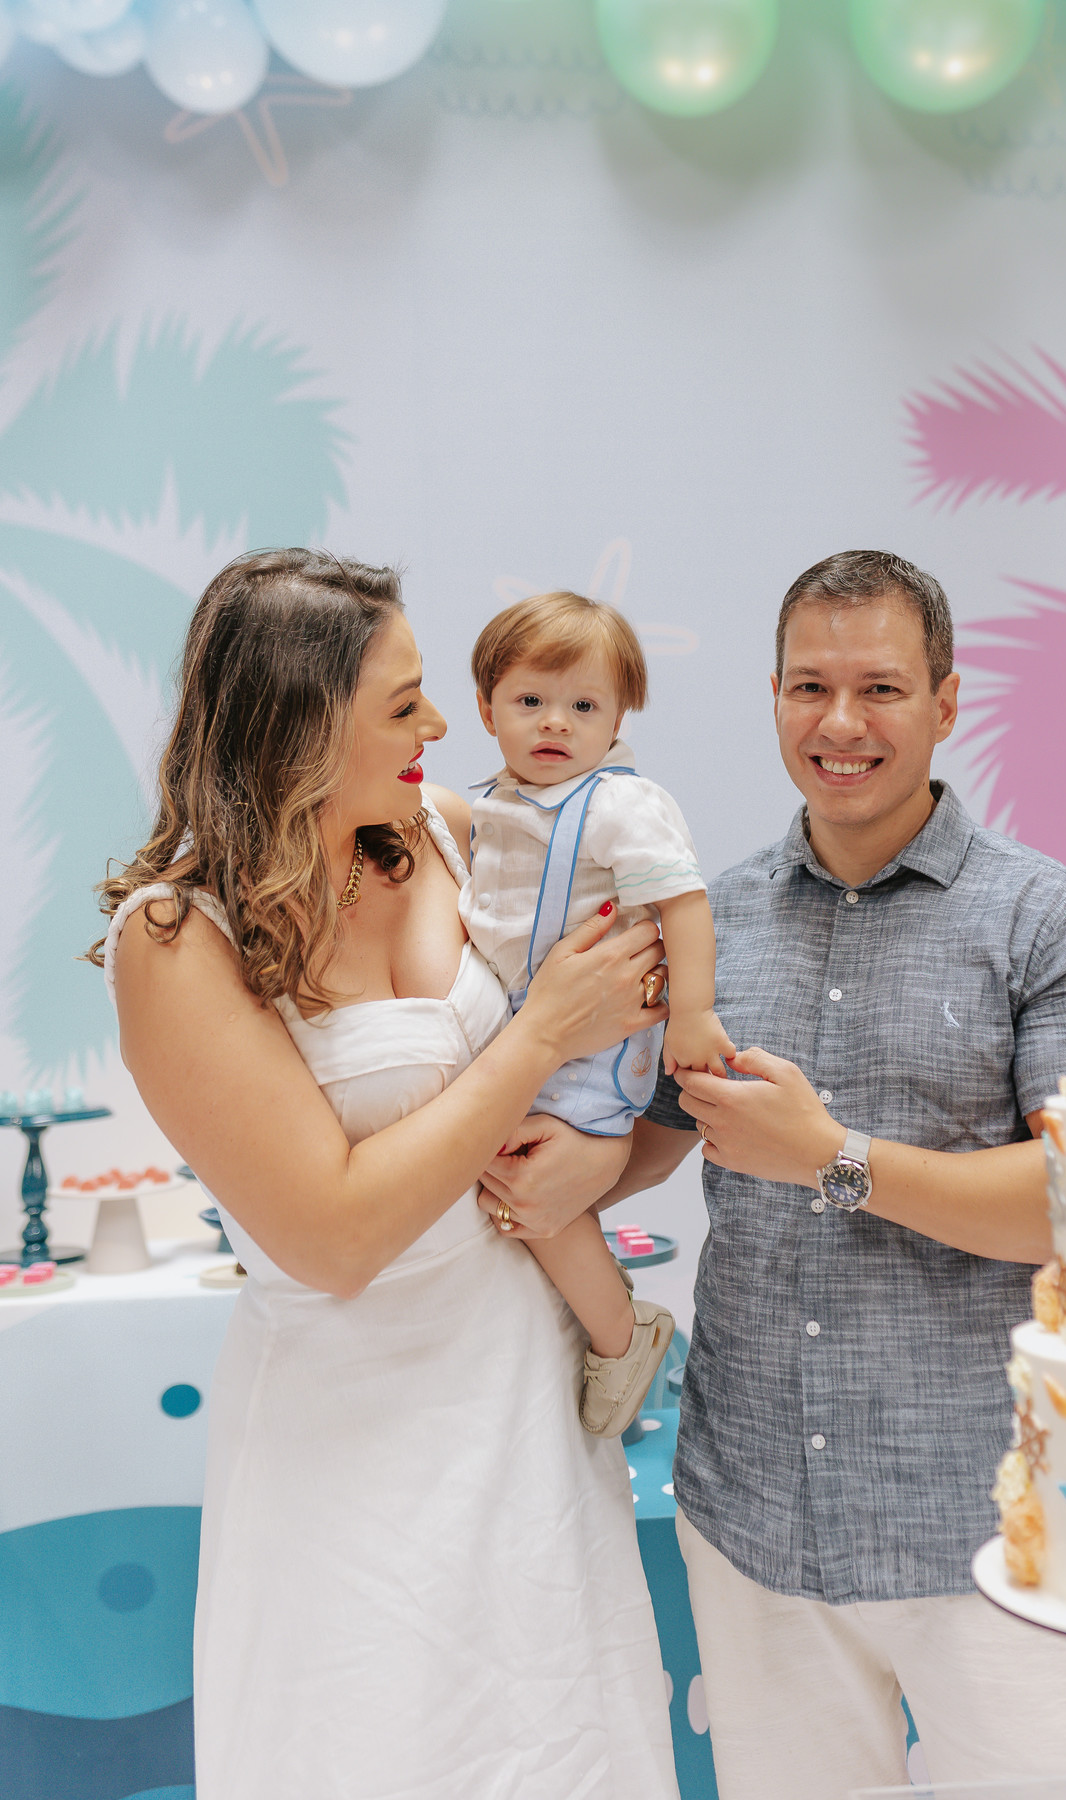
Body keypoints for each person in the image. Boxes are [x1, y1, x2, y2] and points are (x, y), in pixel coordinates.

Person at [481, 550, 1066, 1799]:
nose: (840, 723)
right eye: (809, 687)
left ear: (945, 702)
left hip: (993, 1527)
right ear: (775, 696)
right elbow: (662, 1129)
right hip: (754, 1515)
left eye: (881, 689)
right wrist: (554, 1161)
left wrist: (830, 1158)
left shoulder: (1057, 923)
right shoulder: (708, 918)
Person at [91, 548, 680, 1800]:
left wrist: (602, 1154)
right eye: (404, 703)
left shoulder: (453, 836)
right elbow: (336, 1238)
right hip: (352, 1454)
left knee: (565, 1747)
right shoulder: (176, 940)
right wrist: (537, 1037)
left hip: (526, 1411)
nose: (441, 726)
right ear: (301, 726)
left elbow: (616, 1055)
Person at [462, 591, 733, 1436]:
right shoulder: (494, 805)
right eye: (530, 700)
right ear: (487, 710)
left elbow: (683, 904)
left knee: (530, 1190)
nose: (557, 722)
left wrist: (692, 1014)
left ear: (618, 720)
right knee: (507, 1179)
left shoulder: (620, 804)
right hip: (521, 1032)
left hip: (594, 1048)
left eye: (584, 707)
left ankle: (622, 1335)